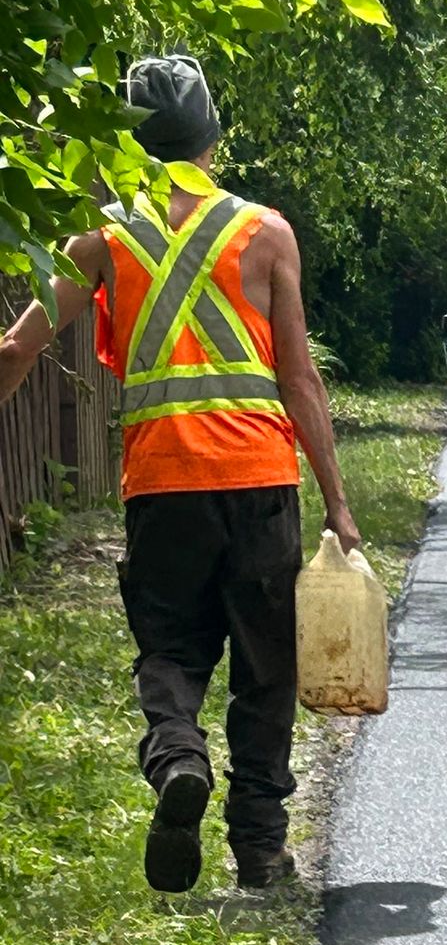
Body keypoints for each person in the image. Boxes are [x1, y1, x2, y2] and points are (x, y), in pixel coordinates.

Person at [0, 55, 360, 893]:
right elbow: (299, 378)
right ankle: (262, 852)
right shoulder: (264, 232)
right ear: (211, 135)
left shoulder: (100, 238)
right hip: (259, 478)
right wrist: (337, 502)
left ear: (128, 138)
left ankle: (176, 760)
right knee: (266, 667)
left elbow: (20, 347)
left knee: (170, 650)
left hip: (162, 484)